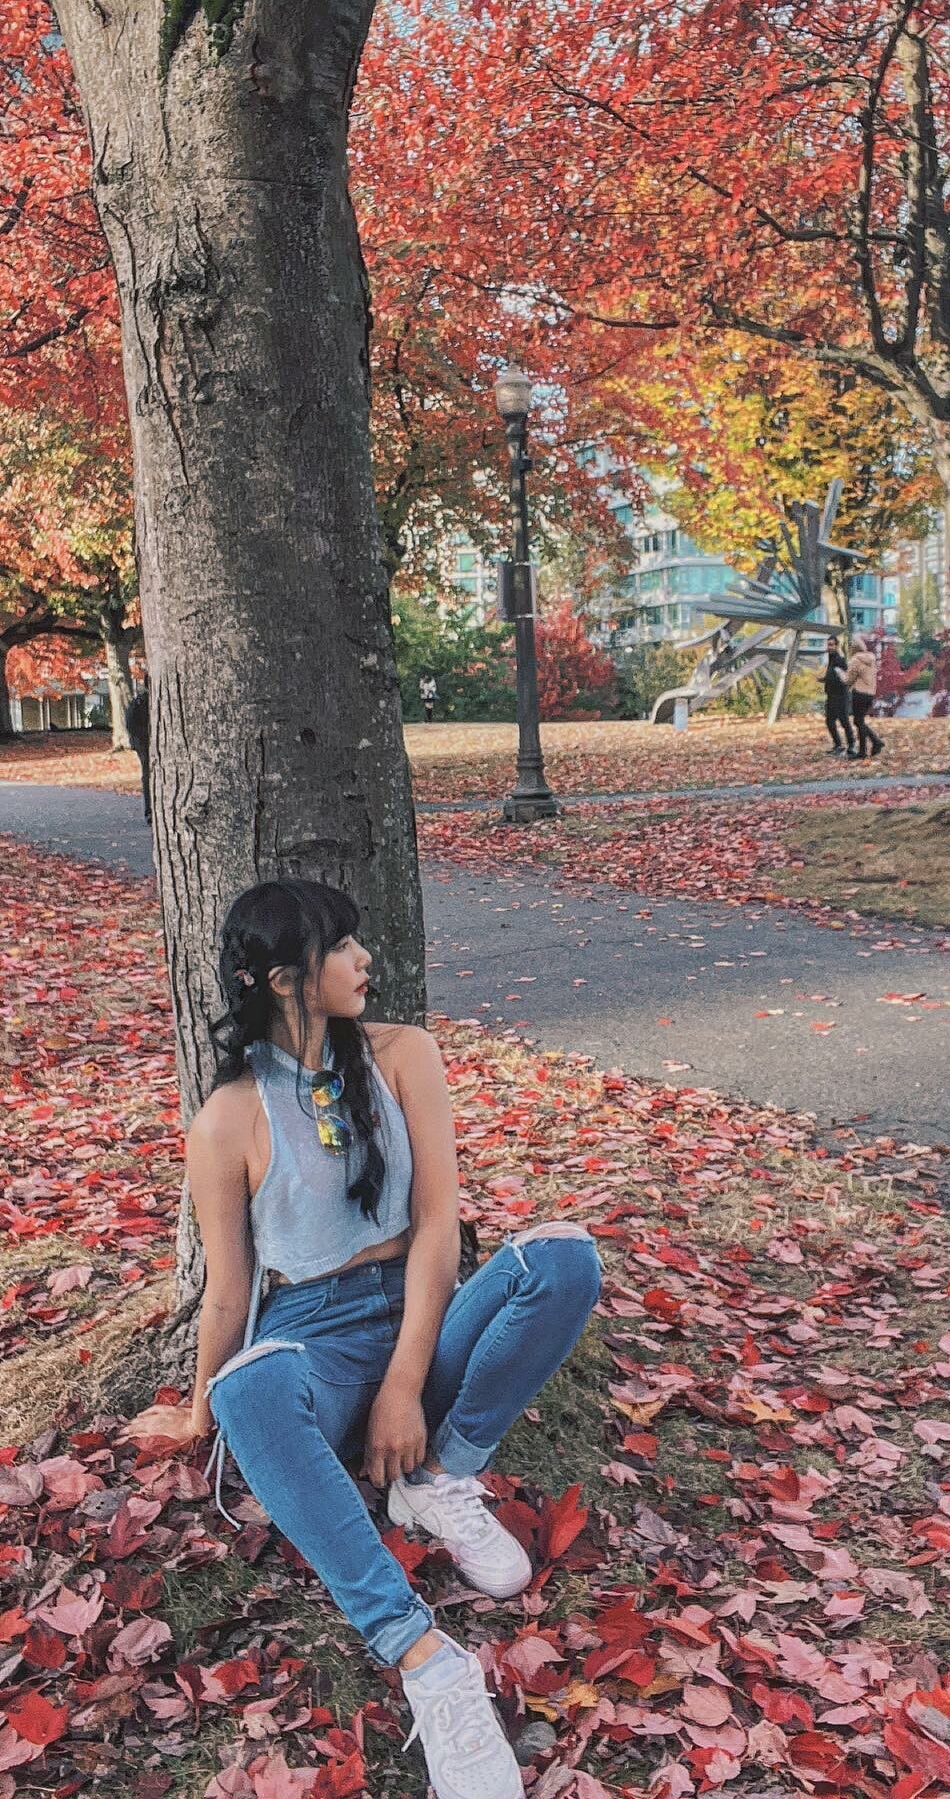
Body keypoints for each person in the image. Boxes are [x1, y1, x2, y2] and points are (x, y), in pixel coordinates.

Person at [124, 879, 602, 1799]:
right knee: (248, 1389)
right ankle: (424, 1657)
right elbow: (229, 1292)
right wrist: (196, 1413)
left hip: (424, 1307)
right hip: (316, 1336)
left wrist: (405, 1387)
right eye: (340, 946)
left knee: (562, 1259)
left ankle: (439, 1474)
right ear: (283, 979)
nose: (363, 959)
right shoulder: (227, 1120)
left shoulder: (404, 1054)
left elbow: (437, 1225)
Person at [842, 634, 885, 759]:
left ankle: (868, 747)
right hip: (870, 694)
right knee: (860, 721)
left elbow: (848, 680)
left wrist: (840, 674)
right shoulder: (871, 658)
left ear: (853, 648)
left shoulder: (855, 660)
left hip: (859, 693)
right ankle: (872, 744)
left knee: (858, 722)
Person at [123, 685, 151, 824]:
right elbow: (131, 725)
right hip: (143, 742)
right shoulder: (140, 703)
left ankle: (150, 810)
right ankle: (149, 810)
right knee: (147, 774)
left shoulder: (139, 702)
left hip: (142, 741)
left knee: (148, 774)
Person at [822, 637, 854, 754]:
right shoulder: (831, 659)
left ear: (836, 646)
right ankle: (838, 745)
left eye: (831, 645)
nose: (829, 647)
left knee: (844, 721)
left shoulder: (840, 659)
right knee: (829, 721)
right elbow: (832, 674)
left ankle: (851, 745)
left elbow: (845, 676)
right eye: (828, 645)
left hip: (840, 696)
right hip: (831, 695)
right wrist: (823, 679)